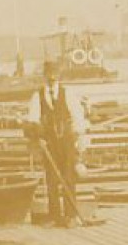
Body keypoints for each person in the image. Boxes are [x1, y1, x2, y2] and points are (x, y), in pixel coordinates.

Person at [26, 60, 86, 226]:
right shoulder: (37, 96)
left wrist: (79, 138)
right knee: (51, 180)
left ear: (58, 75)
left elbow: (77, 117)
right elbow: (32, 120)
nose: (52, 77)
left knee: (69, 177)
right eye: (49, 74)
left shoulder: (68, 94)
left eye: (55, 74)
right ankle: (54, 216)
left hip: (66, 143)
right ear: (45, 76)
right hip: (49, 144)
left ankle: (70, 216)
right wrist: (38, 136)